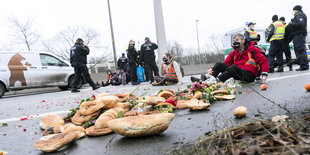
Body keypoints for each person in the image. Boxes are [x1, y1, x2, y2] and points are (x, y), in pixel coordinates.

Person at [287, 5, 309, 71]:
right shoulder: (298, 16)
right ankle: (303, 65)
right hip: (298, 35)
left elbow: (300, 24)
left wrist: (291, 24)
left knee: (300, 50)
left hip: (299, 35)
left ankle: (304, 65)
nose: (293, 12)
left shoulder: (300, 15)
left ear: (296, 10)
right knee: (299, 50)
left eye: (294, 10)